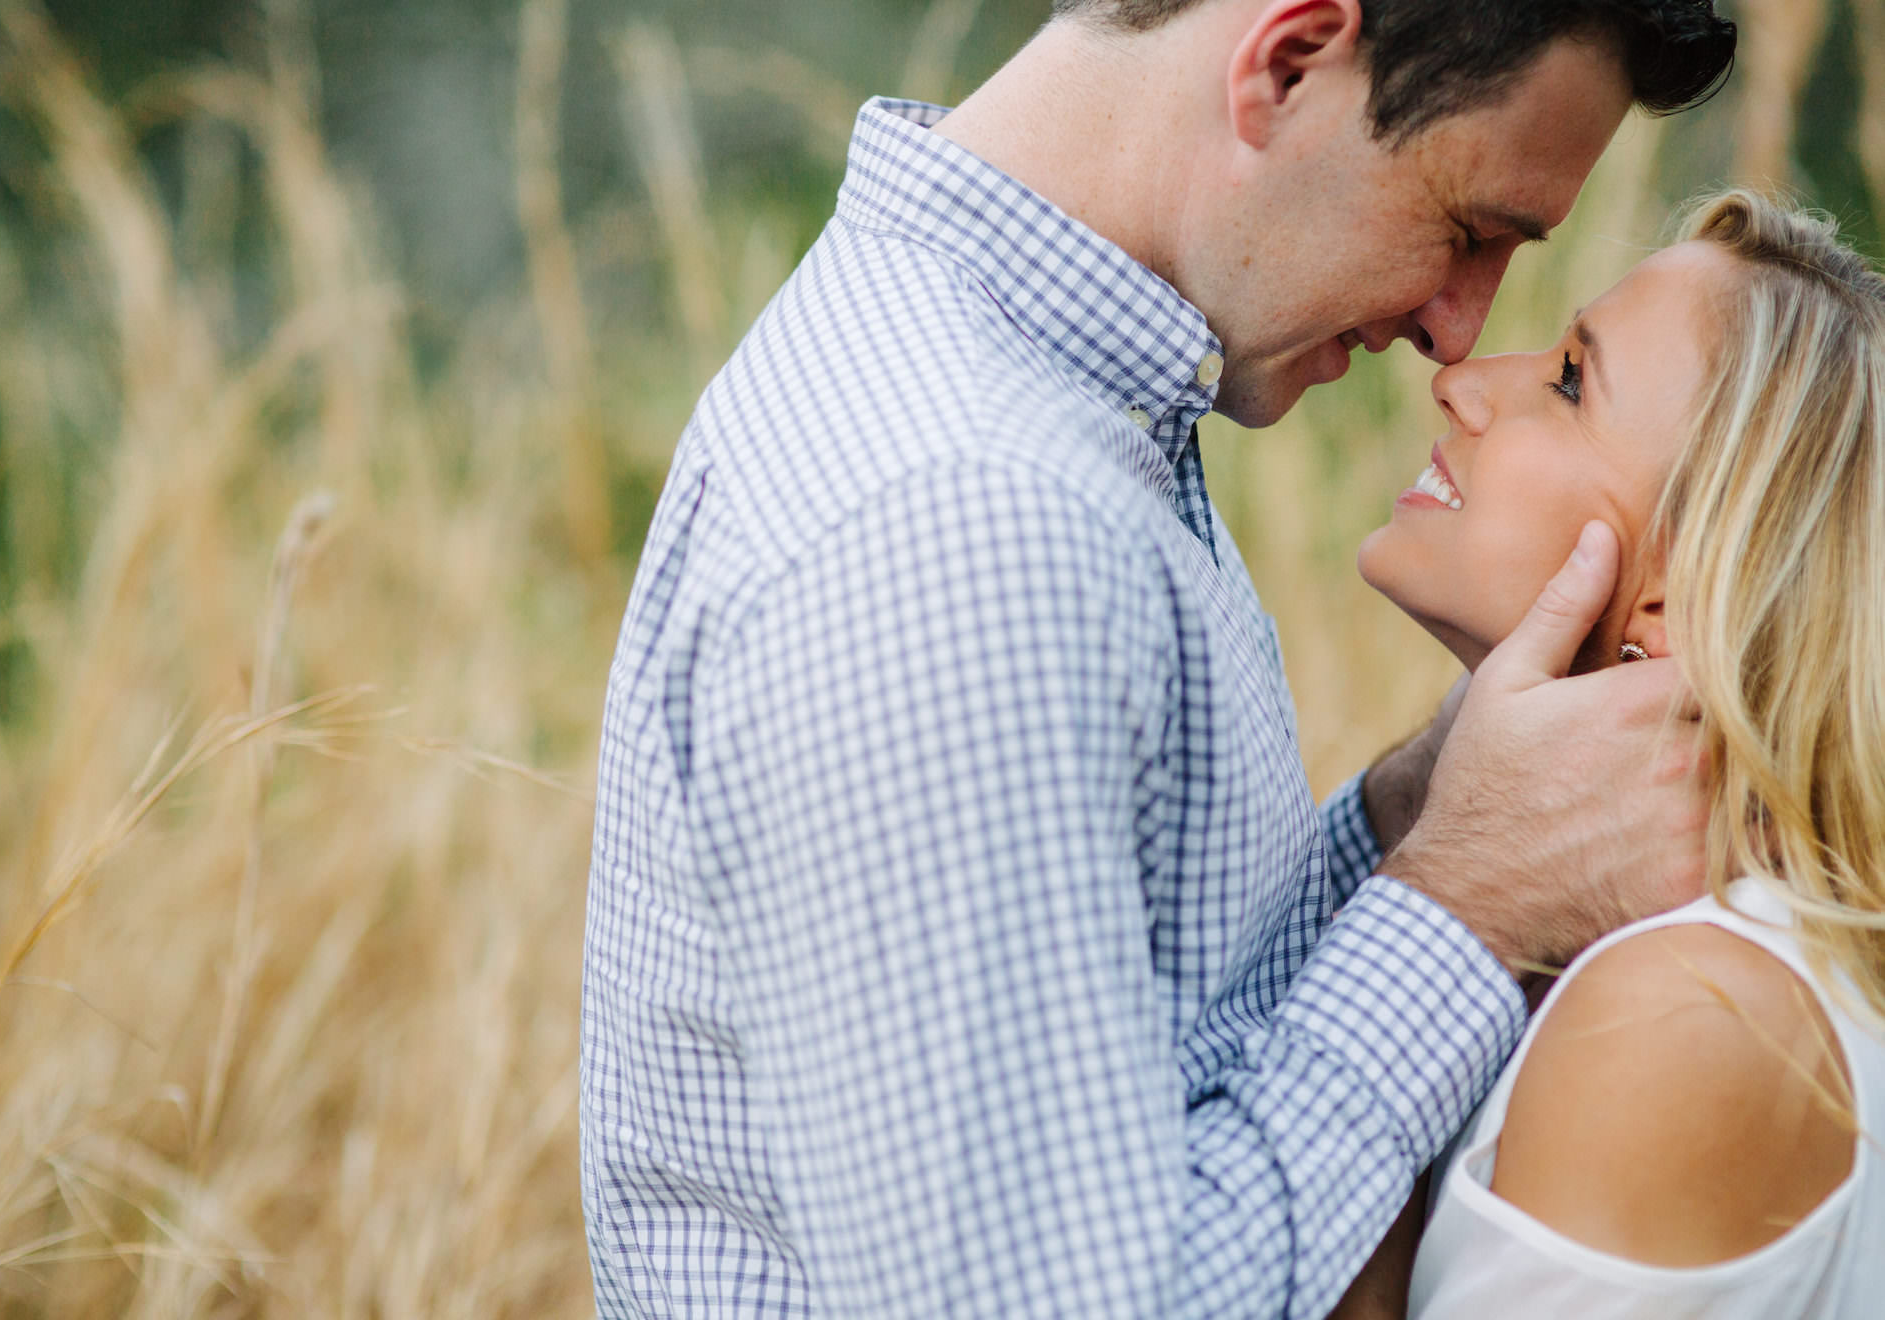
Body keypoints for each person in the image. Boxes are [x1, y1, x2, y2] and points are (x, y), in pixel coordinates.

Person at [581, 1, 1735, 1315]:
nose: (1460, 333)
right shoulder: (962, 523)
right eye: (1468, 233)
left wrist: (1424, 808)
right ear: (1289, 59)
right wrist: (1466, 909)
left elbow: (1152, 1029)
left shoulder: (1059, 410)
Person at [1340, 190, 1885, 1317]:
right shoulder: (1677, 954)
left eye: (1571, 382)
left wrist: (1442, 901)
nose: (1464, 380)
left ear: (1688, 593)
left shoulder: (1693, 1014)